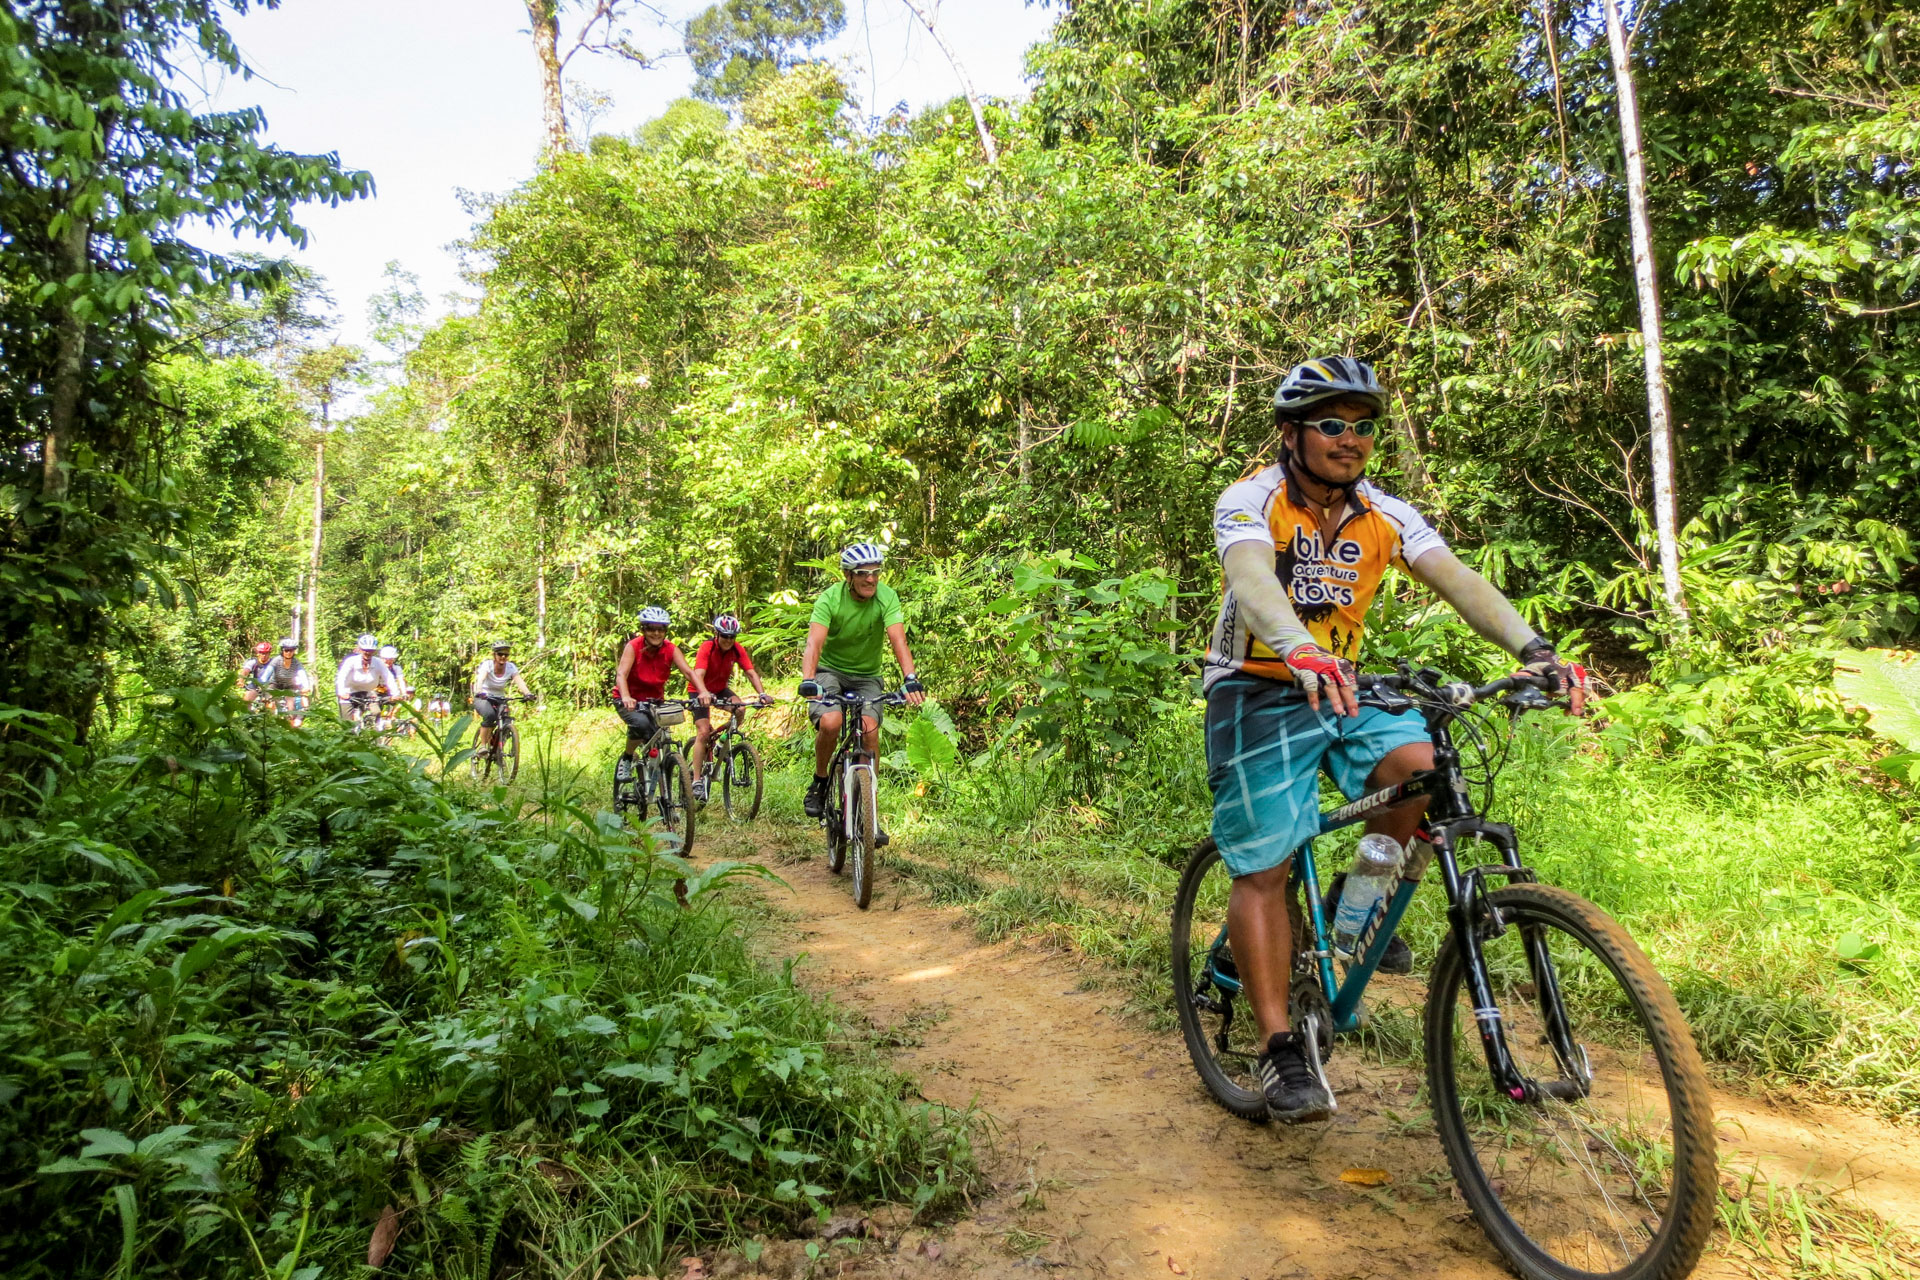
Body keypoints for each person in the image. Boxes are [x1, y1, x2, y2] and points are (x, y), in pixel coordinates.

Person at [1204, 355, 1588, 1125]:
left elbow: (1458, 578)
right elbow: (1251, 577)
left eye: (1363, 427)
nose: (1350, 439)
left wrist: (1534, 649)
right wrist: (1297, 646)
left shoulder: (1387, 512)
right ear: (1292, 434)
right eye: (1331, 424)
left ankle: (1351, 906)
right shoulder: (1250, 499)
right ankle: (1280, 1049)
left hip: (1343, 682)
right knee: (1266, 865)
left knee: (1419, 770)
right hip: (1255, 686)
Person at [797, 542, 926, 837]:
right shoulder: (831, 598)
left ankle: (870, 814)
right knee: (831, 722)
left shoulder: (886, 597)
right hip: (829, 672)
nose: (870, 579)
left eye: (875, 572)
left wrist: (910, 677)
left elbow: (898, 640)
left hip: (867, 676)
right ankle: (820, 781)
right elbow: (814, 643)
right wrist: (809, 679)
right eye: (862, 573)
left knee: (869, 732)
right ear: (848, 575)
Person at [611, 607, 710, 782]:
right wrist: (626, 697)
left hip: (654, 701)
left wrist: (702, 691)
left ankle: (655, 779)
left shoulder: (670, 649)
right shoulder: (633, 646)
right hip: (629, 700)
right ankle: (627, 758)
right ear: (643, 629)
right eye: (651, 628)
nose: (656, 633)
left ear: (665, 631)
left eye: (661, 629)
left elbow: (689, 672)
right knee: (641, 724)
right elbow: (621, 674)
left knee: (658, 735)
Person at [686, 613, 774, 802]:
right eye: (725, 636)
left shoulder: (737, 649)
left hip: (719, 690)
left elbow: (751, 673)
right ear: (717, 634)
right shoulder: (707, 647)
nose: (728, 640)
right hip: (699, 690)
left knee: (740, 709)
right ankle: (696, 780)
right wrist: (703, 693)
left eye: (732, 636)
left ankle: (720, 744)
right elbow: (698, 673)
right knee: (703, 732)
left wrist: (762, 694)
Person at [472, 640, 533, 751]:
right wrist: (479, 690)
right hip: (483, 697)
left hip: (499, 698)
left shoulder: (510, 667)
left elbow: (519, 681)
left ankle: (497, 748)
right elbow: (480, 679)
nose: (503, 657)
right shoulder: (487, 665)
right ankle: (483, 747)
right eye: (500, 654)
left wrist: (528, 693)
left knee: (507, 722)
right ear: (494, 655)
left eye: (506, 654)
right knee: (490, 716)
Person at [335, 634, 403, 722]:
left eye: (371, 651)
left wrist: (395, 694)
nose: (368, 653)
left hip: (368, 693)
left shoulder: (378, 662)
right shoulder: (351, 661)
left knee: (376, 713)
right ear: (360, 649)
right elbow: (341, 677)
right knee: (347, 723)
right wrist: (341, 692)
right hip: (349, 693)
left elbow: (388, 677)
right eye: (365, 650)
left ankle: (372, 728)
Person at [258, 638, 313, 722]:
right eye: (286, 650)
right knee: (270, 703)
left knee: (290, 707)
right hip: (275, 684)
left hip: (289, 686)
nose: (288, 653)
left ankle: (289, 723)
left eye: (291, 650)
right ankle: (271, 721)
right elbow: (267, 672)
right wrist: (261, 683)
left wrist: (306, 686)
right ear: (282, 650)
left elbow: (302, 674)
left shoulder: (296, 662)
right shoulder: (276, 660)